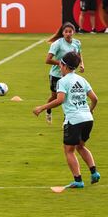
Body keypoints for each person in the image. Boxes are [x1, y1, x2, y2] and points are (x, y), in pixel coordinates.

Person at [33, 51, 100, 188]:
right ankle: (94, 173)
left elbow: (60, 100)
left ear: (64, 66)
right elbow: (95, 99)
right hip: (87, 119)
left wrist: (42, 107)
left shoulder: (62, 82)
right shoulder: (82, 80)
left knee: (69, 150)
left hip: (74, 120)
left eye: (60, 65)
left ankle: (78, 180)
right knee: (81, 146)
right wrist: (90, 110)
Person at [45, 22, 84, 124]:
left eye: (70, 32)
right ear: (62, 33)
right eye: (66, 32)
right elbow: (47, 60)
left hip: (70, 75)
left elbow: (78, 55)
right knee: (55, 97)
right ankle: (48, 110)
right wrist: (62, 63)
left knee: (68, 97)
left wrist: (81, 64)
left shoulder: (77, 43)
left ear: (73, 32)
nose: (68, 33)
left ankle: (66, 120)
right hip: (56, 75)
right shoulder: (57, 44)